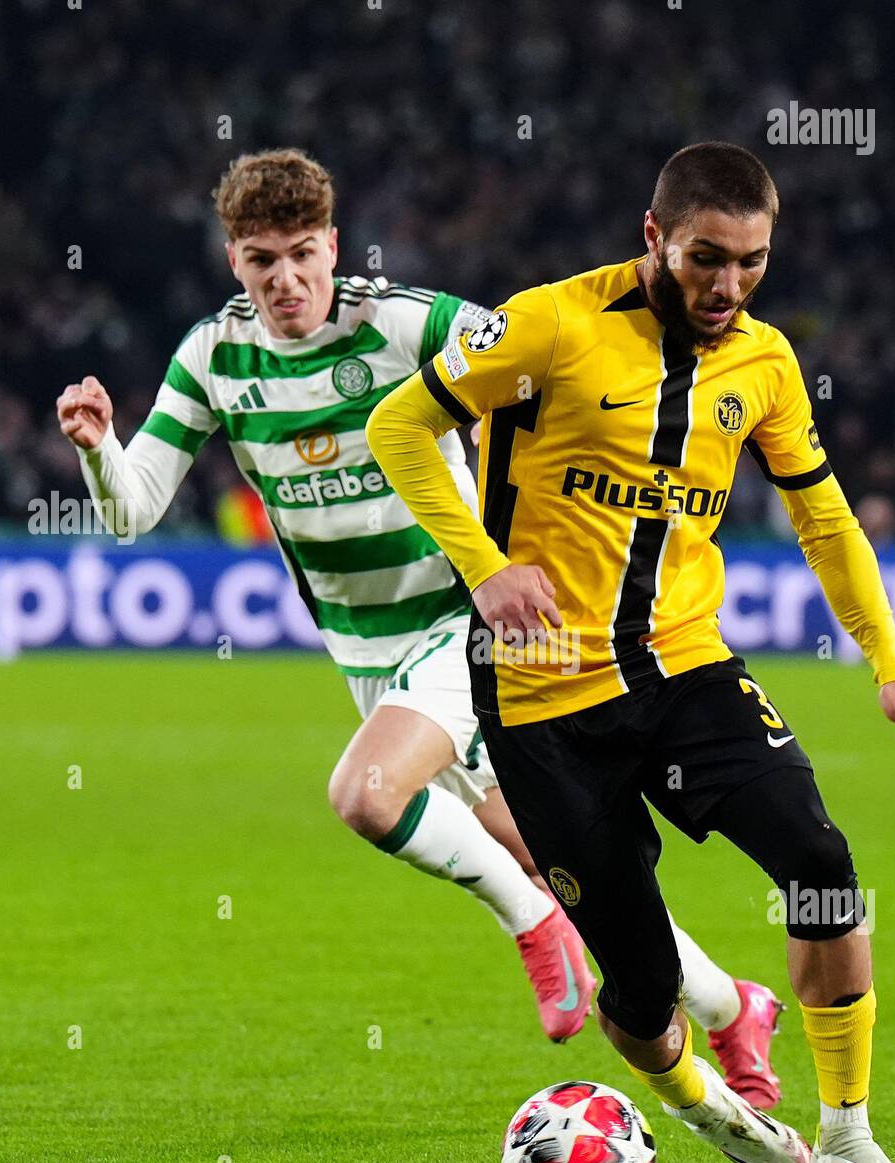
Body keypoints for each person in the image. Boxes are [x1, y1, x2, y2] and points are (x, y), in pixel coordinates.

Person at [56, 149, 787, 1090]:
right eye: (260, 261)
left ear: (332, 244)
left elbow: (536, 363)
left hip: (470, 628)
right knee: (556, 862)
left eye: (302, 254)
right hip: (367, 657)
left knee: (367, 795)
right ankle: (734, 1007)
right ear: (231, 260)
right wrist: (97, 450)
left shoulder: (402, 321)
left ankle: (533, 929)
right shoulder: (213, 356)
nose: (286, 280)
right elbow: (132, 508)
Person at [365, 141, 895, 1163]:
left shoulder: (766, 365)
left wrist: (893, 664)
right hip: (544, 690)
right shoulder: (551, 324)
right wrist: (488, 568)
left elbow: (822, 516)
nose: (728, 286)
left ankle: (848, 1133)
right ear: (655, 235)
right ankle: (709, 1108)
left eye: (751, 263)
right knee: (641, 988)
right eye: (706, 259)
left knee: (822, 867)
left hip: (685, 667)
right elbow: (400, 424)